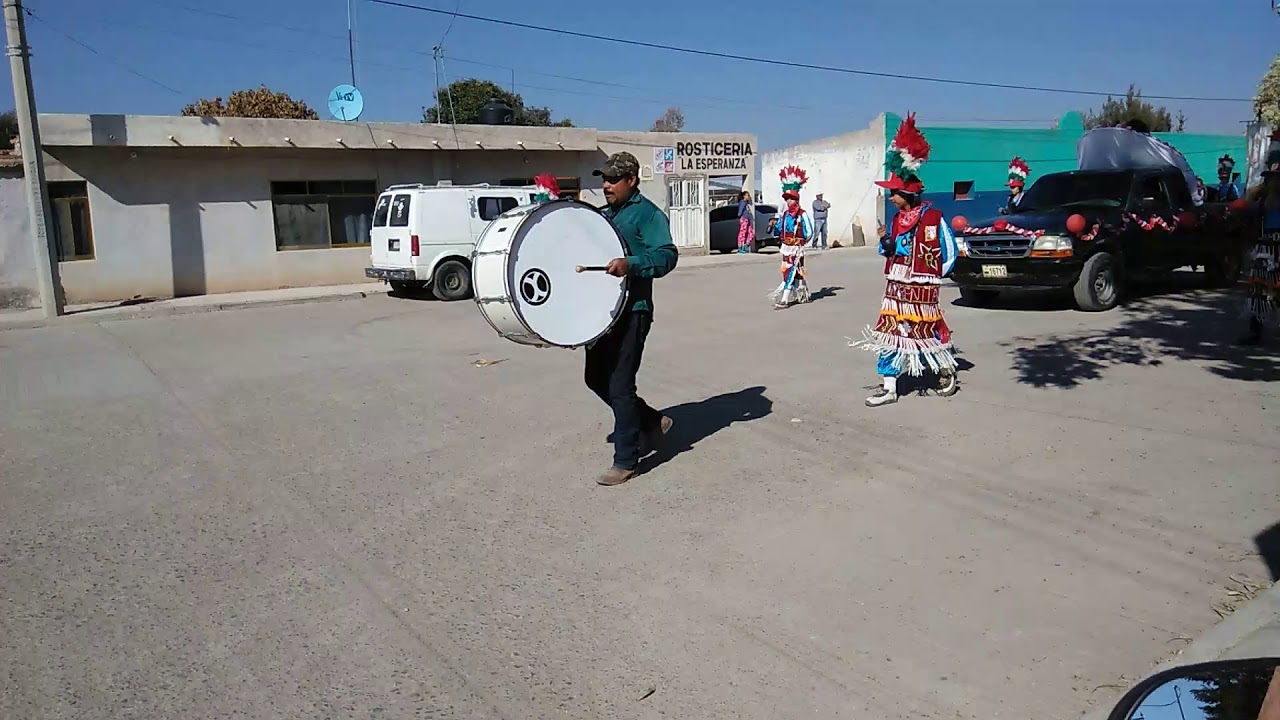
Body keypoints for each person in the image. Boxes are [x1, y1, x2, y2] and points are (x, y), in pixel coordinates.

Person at [852, 113, 960, 407]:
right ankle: (889, 386)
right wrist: (887, 245)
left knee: (926, 330)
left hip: (922, 289)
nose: (890, 198)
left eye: (893, 193)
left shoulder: (933, 218)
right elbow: (890, 251)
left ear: (906, 194)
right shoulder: (898, 220)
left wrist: (930, 276)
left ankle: (945, 369)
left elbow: (950, 252)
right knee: (890, 331)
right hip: (896, 287)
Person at [587, 151, 679, 486]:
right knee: (595, 378)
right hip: (602, 313)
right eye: (604, 179)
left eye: (613, 179)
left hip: (633, 311)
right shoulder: (603, 214)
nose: (606, 185)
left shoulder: (647, 214)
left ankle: (626, 460)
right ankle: (651, 421)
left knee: (620, 385)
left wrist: (632, 264)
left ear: (632, 180)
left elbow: (667, 255)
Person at [1240, 131, 1280, 346]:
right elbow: (1249, 214)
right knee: (1258, 291)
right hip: (1265, 248)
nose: (1275, 181)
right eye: (1272, 177)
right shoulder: (1262, 198)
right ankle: (1255, 330)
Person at [768, 165, 814, 308]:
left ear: (796, 200)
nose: (788, 201)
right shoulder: (786, 214)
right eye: (787, 199)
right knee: (792, 270)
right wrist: (773, 225)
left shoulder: (802, 214)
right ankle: (802, 294)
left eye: (791, 199)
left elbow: (809, 231)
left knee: (791, 270)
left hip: (796, 247)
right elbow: (780, 228)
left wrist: (801, 242)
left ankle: (785, 298)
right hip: (786, 247)